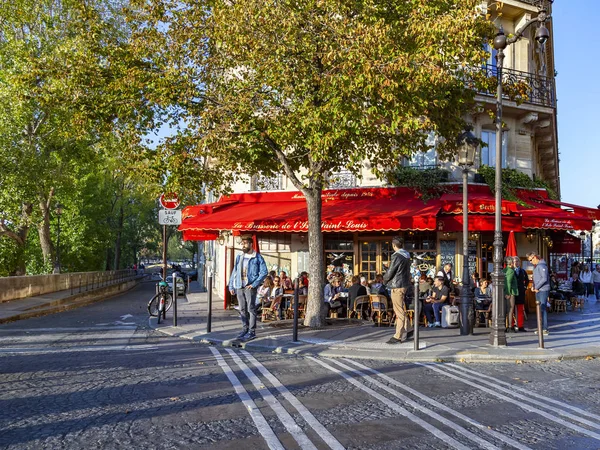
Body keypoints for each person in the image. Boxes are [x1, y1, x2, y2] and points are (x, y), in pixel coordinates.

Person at [228, 237, 268, 341]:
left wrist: (255, 284)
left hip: (249, 286)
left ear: (251, 244)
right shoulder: (239, 257)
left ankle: (252, 331)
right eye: (242, 244)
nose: (243, 245)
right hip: (239, 286)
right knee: (242, 309)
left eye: (245, 243)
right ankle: (245, 329)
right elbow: (234, 271)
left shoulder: (257, 257)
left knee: (251, 309)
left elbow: (264, 272)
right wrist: (231, 285)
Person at [383, 237, 412, 343]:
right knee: (401, 309)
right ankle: (409, 329)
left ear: (393, 245)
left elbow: (390, 272)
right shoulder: (407, 255)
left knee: (399, 311)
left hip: (397, 285)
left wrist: (384, 280)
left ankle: (398, 336)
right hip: (404, 284)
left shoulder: (396, 256)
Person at [527, 251, 550, 335]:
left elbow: (544, 279)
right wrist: (533, 286)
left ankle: (544, 328)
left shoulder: (542, 266)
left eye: (531, 260)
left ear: (535, 257)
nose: (530, 262)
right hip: (539, 290)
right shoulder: (537, 266)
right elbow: (536, 278)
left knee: (542, 309)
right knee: (539, 309)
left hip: (542, 290)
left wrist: (536, 287)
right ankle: (541, 327)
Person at [504, 256, 518, 333]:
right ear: (511, 263)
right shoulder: (511, 271)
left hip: (505, 292)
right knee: (510, 309)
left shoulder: (504, 270)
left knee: (507, 309)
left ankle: (507, 325)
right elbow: (508, 282)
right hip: (511, 292)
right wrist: (508, 293)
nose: (514, 263)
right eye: (513, 262)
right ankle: (509, 326)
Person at [513, 256, 527, 332]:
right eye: (515, 261)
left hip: (521, 292)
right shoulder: (511, 271)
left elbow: (527, 280)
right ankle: (511, 325)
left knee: (520, 309)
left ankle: (520, 325)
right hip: (513, 292)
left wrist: (524, 287)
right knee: (511, 310)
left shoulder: (523, 271)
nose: (516, 263)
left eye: (517, 261)